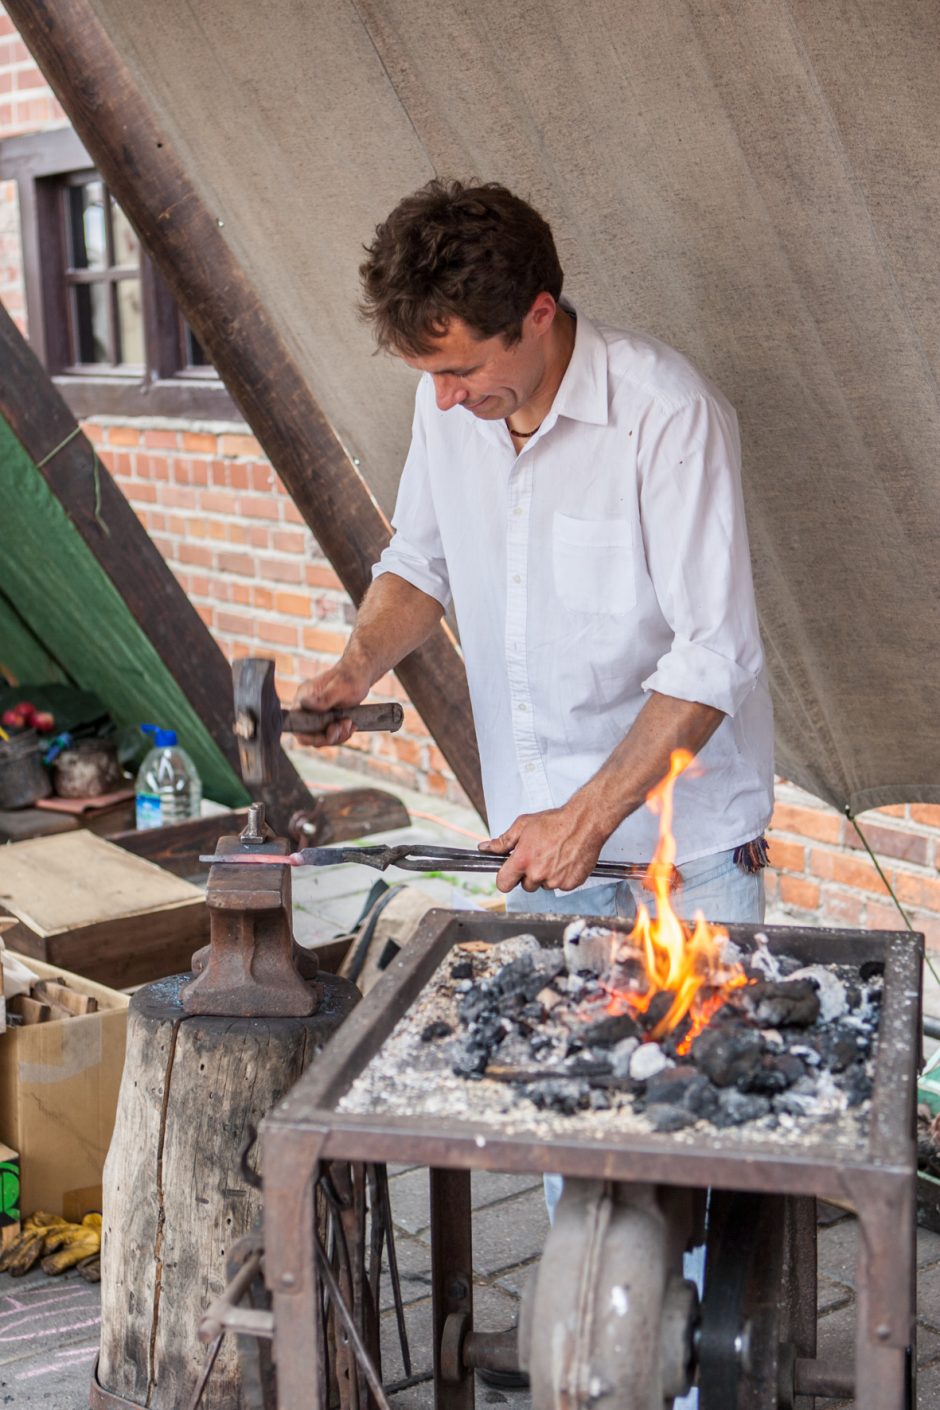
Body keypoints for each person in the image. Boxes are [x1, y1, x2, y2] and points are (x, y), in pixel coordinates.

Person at [294, 178, 774, 929]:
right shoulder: (446, 403)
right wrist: (355, 670)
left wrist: (584, 820)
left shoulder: (668, 414)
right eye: (430, 374)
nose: (444, 398)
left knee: (702, 1051)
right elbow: (422, 562)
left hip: (683, 858)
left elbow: (716, 654)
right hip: (533, 846)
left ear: (538, 315)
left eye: (461, 368)